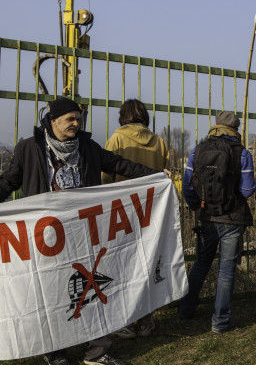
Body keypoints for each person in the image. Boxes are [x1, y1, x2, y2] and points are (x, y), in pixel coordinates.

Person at [0, 97, 166, 365]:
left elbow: (120, 165)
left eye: (78, 119)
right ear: (53, 120)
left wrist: (156, 176)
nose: (75, 123)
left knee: (91, 289)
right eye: (70, 119)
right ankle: (55, 352)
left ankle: (98, 351)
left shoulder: (89, 148)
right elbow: (7, 182)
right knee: (53, 292)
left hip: (83, 233)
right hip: (47, 236)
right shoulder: (29, 148)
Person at [179, 111, 255, 333]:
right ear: (236, 129)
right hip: (232, 220)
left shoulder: (198, 150)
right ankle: (220, 322)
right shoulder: (243, 153)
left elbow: (187, 186)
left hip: (206, 217)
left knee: (201, 263)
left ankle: (186, 309)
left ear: (215, 126)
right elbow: (248, 189)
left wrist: (196, 205)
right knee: (226, 269)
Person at [103, 99, 169, 339]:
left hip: (122, 212)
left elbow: (105, 176)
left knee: (122, 265)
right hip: (151, 212)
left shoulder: (117, 139)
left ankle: (124, 320)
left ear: (123, 116)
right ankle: (146, 320)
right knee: (146, 264)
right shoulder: (160, 142)